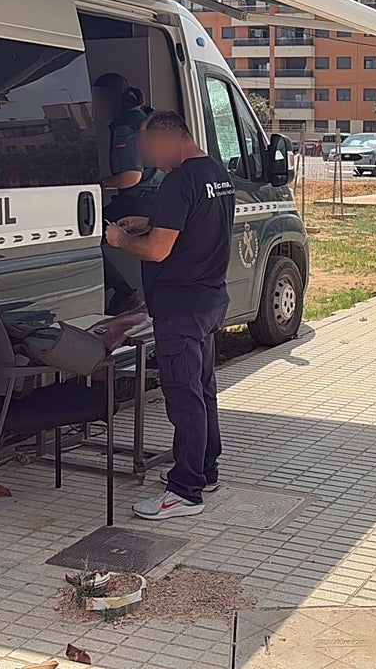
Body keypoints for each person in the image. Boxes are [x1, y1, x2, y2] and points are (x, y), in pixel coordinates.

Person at [105, 110, 235, 520]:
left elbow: (158, 250)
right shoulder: (215, 172)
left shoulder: (178, 182)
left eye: (150, 147)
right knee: (203, 390)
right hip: (209, 300)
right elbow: (196, 223)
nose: (147, 157)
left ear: (170, 139)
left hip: (180, 307)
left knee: (184, 398)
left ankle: (184, 491)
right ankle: (205, 470)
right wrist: (152, 220)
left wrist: (121, 238)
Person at [92, 73, 160, 315]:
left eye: (96, 99)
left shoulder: (127, 126)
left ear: (110, 98)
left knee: (85, 239)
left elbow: (131, 176)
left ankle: (125, 295)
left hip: (138, 202)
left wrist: (97, 185)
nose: (94, 105)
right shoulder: (139, 117)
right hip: (149, 200)